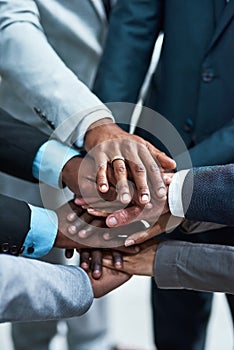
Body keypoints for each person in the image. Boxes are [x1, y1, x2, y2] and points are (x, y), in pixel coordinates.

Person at [0, 2, 175, 349]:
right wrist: (92, 123)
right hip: (32, 120)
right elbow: (10, 23)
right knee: (31, 306)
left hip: (116, 135)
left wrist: (80, 161)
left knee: (93, 316)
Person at [93, 1, 234, 348]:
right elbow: (133, 24)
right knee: (174, 328)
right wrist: (106, 148)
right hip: (163, 143)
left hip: (183, 170)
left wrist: (168, 182)